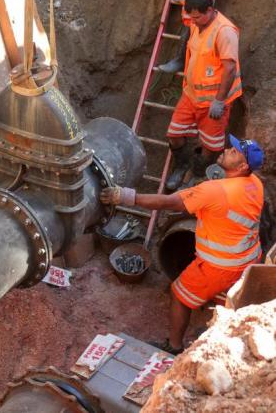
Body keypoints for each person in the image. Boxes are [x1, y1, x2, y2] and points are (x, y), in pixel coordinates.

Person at [100, 135, 264, 355]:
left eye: (234, 152)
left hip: (220, 266)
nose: (226, 149)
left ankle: (175, 347)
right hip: (249, 258)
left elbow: (170, 202)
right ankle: (217, 339)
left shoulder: (215, 190)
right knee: (225, 301)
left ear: (243, 166)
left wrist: (126, 196)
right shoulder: (255, 184)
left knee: (179, 294)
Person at [165, 0, 242, 190]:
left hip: (214, 101)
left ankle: (197, 174)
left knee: (211, 146)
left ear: (209, 10)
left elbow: (230, 68)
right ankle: (181, 166)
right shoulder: (195, 24)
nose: (194, 21)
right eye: (191, 17)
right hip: (191, 95)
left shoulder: (225, 31)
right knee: (174, 134)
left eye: (197, 17)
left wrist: (219, 100)